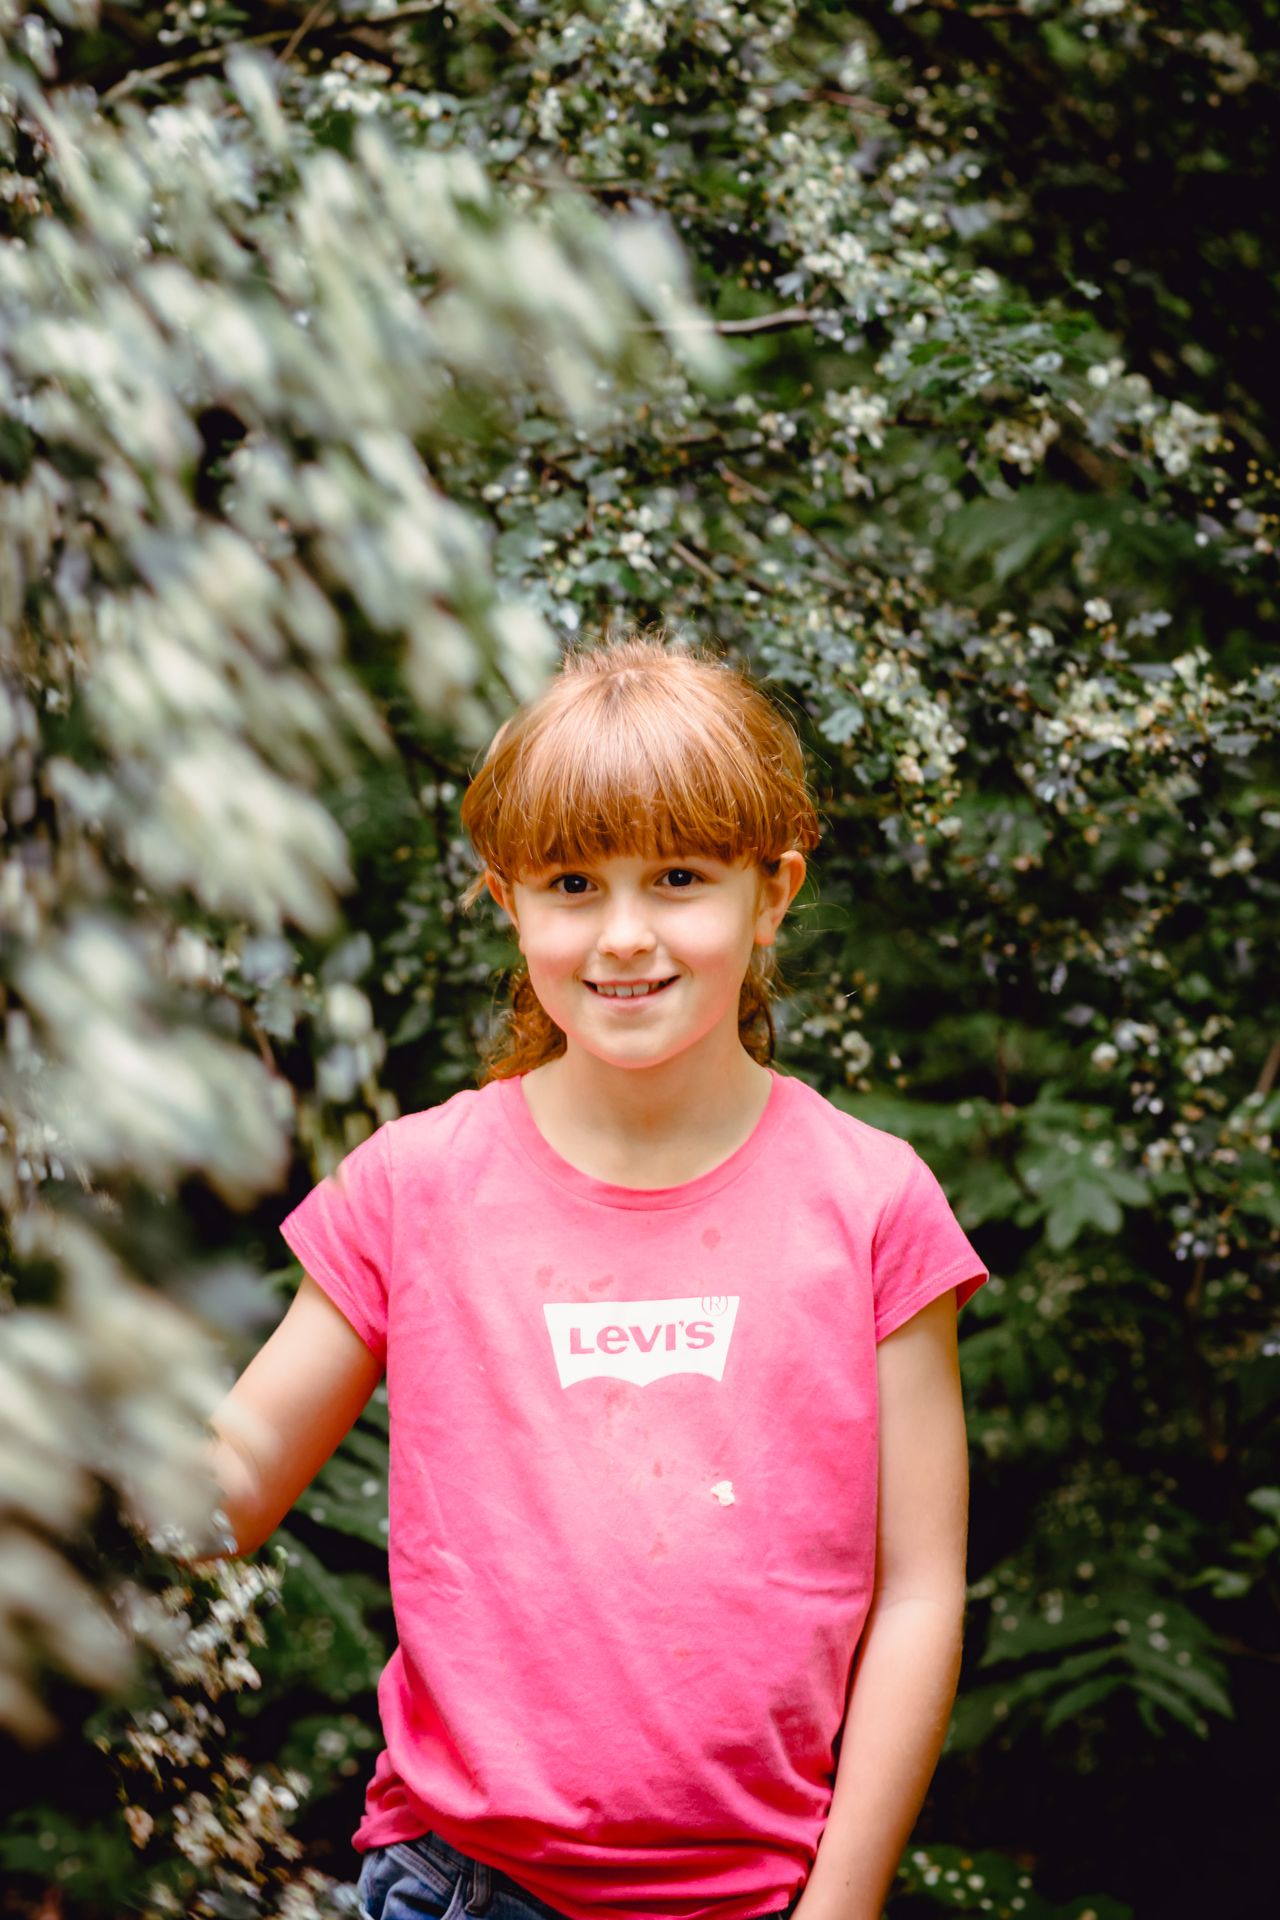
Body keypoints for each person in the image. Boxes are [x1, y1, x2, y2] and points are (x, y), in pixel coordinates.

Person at [207, 632, 990, 1920]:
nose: (625, 935)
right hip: (457, 1886)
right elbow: (218, 1496)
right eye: (574, 882)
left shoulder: (871, 1203)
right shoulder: (413, 1186)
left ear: (772, 891)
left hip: (761, 1897)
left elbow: (917, 1590)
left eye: (678, 876)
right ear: (509, 903)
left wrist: (840, 1908)